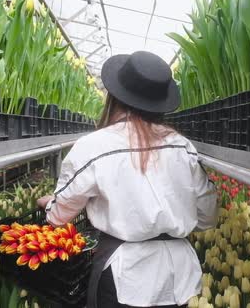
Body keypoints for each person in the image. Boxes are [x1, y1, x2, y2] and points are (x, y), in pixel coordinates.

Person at [37, 51, 218, 308]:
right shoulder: (183, 147)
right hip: (180, 277)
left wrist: (48, 204)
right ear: (161, 103)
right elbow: (208, 215)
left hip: (128, 278)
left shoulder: (95, 146)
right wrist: (168, 218)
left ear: (114, 97)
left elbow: (58, 216)